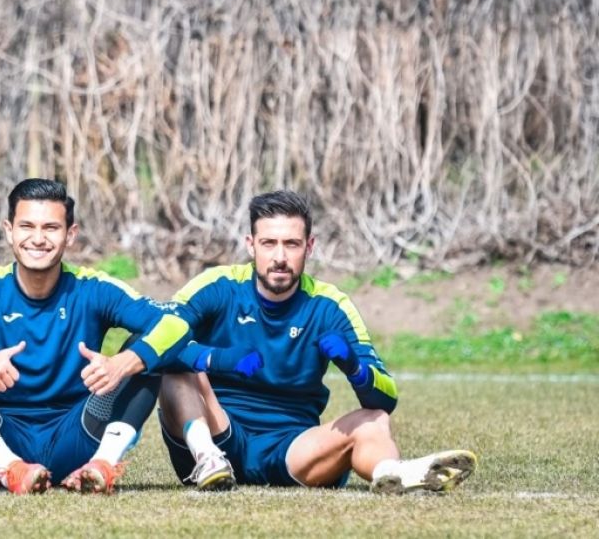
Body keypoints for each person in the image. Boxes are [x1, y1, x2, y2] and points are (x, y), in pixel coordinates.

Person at [158, 189, 477, 493]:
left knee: (374, 420)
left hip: (293, 448)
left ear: (309, 247)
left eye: (292, 244)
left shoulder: (330, 305)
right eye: (269, 243)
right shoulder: (218, 286)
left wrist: (356, 369)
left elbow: (387, 398)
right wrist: (216, 358)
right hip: (217, 431)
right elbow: (157, 338)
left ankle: (392, 474)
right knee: (175, 364)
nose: (280, 257)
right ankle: (208, 459)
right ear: (251, 245)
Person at [0, 178, 191, 494]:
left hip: (78, 440)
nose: (38, 239)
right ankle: (11, 469)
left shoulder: (93, 289)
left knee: (144, 350)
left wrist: (123, 363)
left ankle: (102, 466)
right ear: (9, 231)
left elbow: (177, 324)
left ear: (70, 235)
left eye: (51, 228)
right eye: (27, 226)